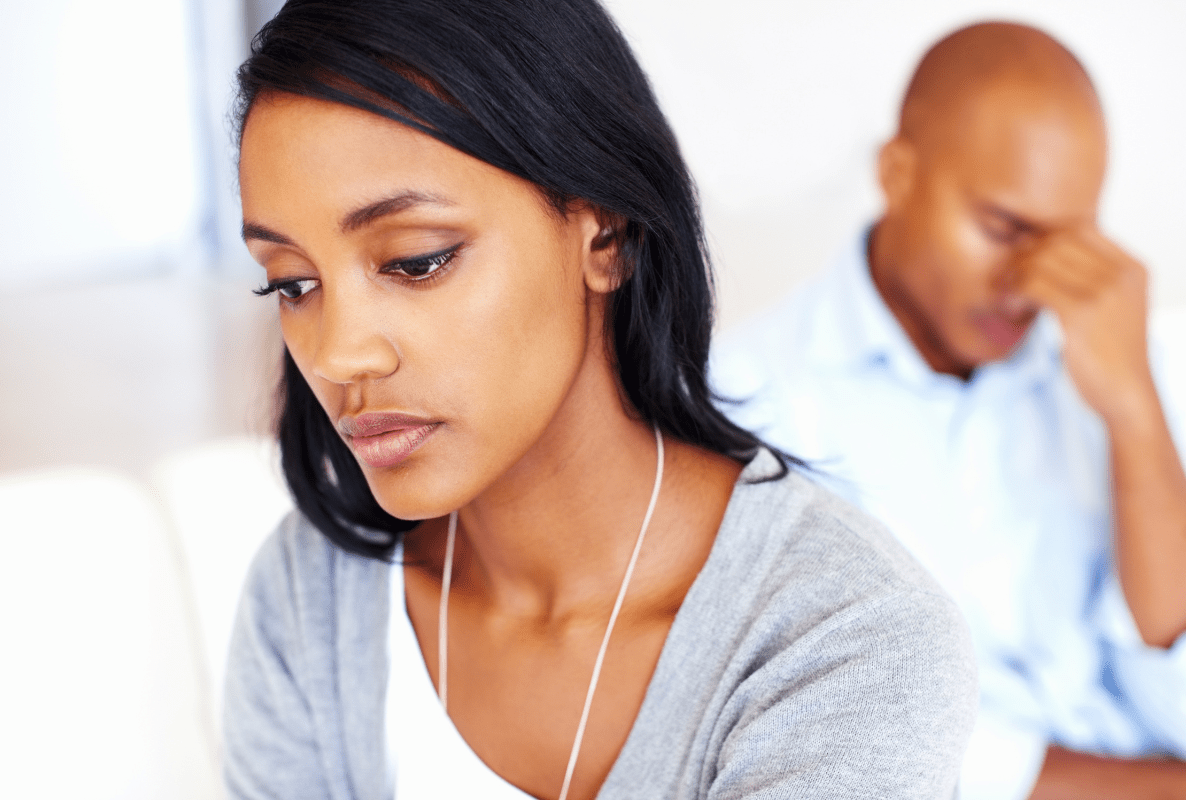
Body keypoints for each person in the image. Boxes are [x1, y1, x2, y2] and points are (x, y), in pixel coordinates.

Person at [223, 1, 976, 798]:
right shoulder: (312, 600)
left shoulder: (843, 642)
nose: (341, 353)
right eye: (293, 283)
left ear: (605, 234)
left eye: (416, 261)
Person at [711, 20, 1186, 800]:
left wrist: (1136, 416)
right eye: (1004, 229)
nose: (1032, 280)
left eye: (1071, 240)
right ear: (897, 174)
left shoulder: (1117, 359)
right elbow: (884, 739)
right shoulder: (747, 408)